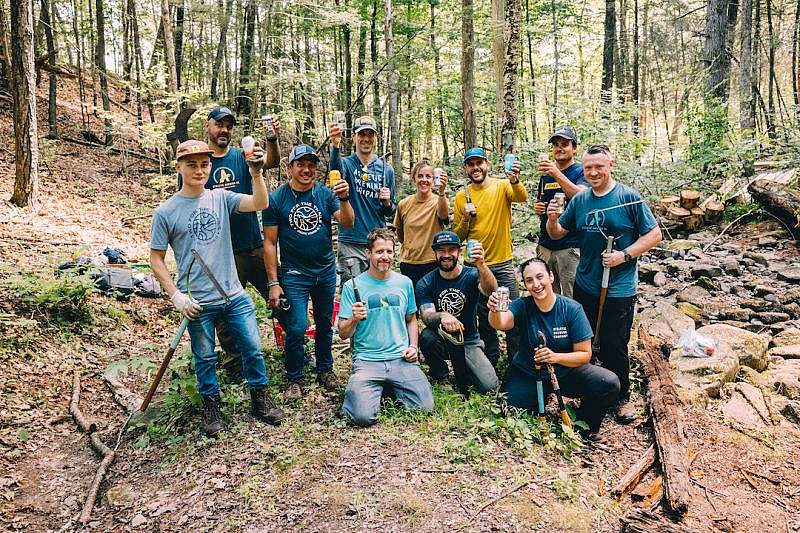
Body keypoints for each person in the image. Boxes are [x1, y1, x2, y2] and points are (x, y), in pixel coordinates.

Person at [150, 140, 283, 437]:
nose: (199, 170)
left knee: (252, 348)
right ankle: (211, 408)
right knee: (206, 357)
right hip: (198, 302)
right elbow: (155, 259)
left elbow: (260, 203)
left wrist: (256, 172)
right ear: (179, 168)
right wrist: (176, 296)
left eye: (205, 164)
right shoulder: (166, 212)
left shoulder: (220, 198)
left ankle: (260, 400)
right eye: (192, 164)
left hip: (233, 294)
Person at [545, 144, 662, 423]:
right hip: (586, 284)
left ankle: (621, 397)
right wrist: (551, 219)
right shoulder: (581, 200)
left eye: (599, 166)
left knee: (614, 344)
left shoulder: (628, 197)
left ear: (610, 164)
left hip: (619, 288)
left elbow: (654, 234)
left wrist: (624, 255)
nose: (593, 172)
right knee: (583, 340)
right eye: (588, 168)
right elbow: (559, 232)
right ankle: (586, 386)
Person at [488, 258, 620, 440]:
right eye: (529, 280)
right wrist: (494, 310)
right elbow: (502, 323)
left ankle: (584, 425)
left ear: (551, 276)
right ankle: (536, 397)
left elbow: (585, 355)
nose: (536, 284)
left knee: (608, 382)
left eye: (540, 277)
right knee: (508, 410)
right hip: (528, 373)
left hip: (565, 372)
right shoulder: (523, 305)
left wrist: (555, 357)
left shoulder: (571, 309)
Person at [263, 144, 355, 400]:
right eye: (300, 164)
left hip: (325, 271)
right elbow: (269, 243)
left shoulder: (326, 195)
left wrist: (345, 199)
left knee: (325, 324)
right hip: (294, 275)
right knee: (296, 326)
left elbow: (347, 222)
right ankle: (294, 377)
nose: (306, 169)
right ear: (289, 167)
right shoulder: (276, 199)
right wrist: (273, 282)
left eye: (311, 164)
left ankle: (325, 370)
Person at [202, 106, 280, 378]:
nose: (224, 130)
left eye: (228, 126)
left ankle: (294, 344)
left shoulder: (240, 156)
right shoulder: (200, 162)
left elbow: (270, 163)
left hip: (253, 244)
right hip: (220, 251)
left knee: (280, 294)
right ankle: (235, 363)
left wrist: (271, 141)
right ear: (208, 126)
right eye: (219, 125)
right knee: (224, 311)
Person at [338, 229, 434, 426]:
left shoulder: (404, 283)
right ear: (368, 253)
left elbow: (411, 319)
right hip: (367, 361)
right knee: (361, 418)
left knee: (424, 409)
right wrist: (354, 319)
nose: (385, 257)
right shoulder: (352, 286)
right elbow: (342, 333)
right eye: (380, 251)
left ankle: (385, 387)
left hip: (400, 358)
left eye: (389, 252)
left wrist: (413, 347)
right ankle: (372, 388)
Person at [452, 147, 528, 367]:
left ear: (487, 165)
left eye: (479, 163)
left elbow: (521, 198)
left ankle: (517, 363)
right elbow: (457, 237)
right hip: (474, 265)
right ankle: (490, 361)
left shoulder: (502, 186)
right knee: (483, 316)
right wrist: (465, 218)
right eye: (471, 164)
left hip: (502, 263)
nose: (476, 168)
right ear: (466, 168)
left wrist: (514, 179)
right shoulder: (461, 196)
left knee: (513, 312)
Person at [417, 231, 499, 396]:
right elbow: (426, 316)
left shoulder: (471, 275)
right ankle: (441, 374)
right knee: (427, 336)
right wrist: (443, 316)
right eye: (441, 250)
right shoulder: (425, 282)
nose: (446, 255)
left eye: (451, 250)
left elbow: (491, 290)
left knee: (489, 387)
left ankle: (467, 367)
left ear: (459, 252)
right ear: (435, 253)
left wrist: (481, 265)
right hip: (442, 338)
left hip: (468, 340)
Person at [328, 116, 396, 285]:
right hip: (351, 242)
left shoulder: (386, 169)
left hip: (377, 243)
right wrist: (335, 145)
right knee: (352, 292)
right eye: (361, 134)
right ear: (354, 137)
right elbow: (335, 172)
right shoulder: (347, 164)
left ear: (375, 138)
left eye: (370, 134)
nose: (366, 139)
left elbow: (390, 211)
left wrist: (387, 202)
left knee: (378, 291)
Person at [533, 126, 589, 297]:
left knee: (572, 296)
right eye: (556, 144)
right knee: (548, 295)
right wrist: (538, 208)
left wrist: (557, 173)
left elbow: (582, 197)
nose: (559, 148)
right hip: (545, 245)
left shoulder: (581, 171)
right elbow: (541, 201)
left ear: (574, 148)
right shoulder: (546, 175)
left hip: (569, 247)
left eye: (564, 144)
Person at [393, 159, 450, 290]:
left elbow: (443, 216)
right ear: (414, 179)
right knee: (413, 306)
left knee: (431, 306)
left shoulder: (439, 201)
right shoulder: (404, 204)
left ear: (433, 179)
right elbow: (400, 234)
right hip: (409, 263)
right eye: (420, 176)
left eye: (428, 176)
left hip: (433, 263)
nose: (424, 180)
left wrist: (442, 191)